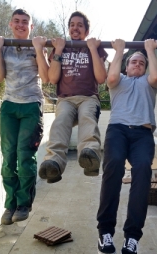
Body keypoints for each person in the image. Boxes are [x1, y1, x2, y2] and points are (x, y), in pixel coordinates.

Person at [96, 39, 157, 254]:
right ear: (125, 65)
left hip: (142, 133)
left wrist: (150, 51)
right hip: (118, 131)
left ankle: (132, 236)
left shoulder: (148, 82)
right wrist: (120, 51)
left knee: (143, 171)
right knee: (113, 166)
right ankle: (105, 231)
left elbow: (156, 77)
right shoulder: (119, 80)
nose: (137, 65)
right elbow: (110, 77)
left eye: (141, 63)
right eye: (133, 61)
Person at [0, 8, 49, 225]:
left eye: (25, 22)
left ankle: (24, 203)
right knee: (8, 158)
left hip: (31, 104)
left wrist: (40, 50)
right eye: (17, 21)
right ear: (10, 24)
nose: (21, 25)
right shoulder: (4, 47)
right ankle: (10, 204)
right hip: (9, 106)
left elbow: (46, 77)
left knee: (25, 156)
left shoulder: (35, 46)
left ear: (31, 27)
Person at [38, 11, 108, 183]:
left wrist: (91, 48)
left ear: (86, 30)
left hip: (88, 97)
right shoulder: (61, 47)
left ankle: (90, 156)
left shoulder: (95, 46)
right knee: (60, 120)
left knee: (87, 117)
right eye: (72, 25)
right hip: (66, 99)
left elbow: (101, 78)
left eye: (79, 25)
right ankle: (54, 162)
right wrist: (59, 49)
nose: (75, 28)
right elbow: (52, 78)